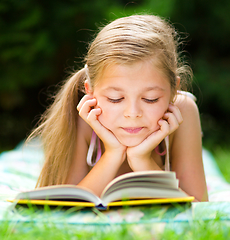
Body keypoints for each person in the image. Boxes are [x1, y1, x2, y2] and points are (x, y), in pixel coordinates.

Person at [30, 14, 208, 202]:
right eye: (115, 99)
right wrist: (112, 154)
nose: (132, 113)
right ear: (90, 92)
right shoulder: (83, 118)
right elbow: (61, 207)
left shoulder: (184, 111)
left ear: (174, 91)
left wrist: (142, 160)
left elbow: (200, 210)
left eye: (150, 99)